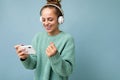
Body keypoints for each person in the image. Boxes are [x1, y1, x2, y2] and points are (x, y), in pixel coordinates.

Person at [14, 0, 75, 80]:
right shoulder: (38, 37)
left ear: (60, 19)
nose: (46, 23)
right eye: (43, 20)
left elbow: (67, 71)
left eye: (50, 19)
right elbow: (32, 65)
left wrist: (55, 56)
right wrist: (25, 57)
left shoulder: (67, 39)